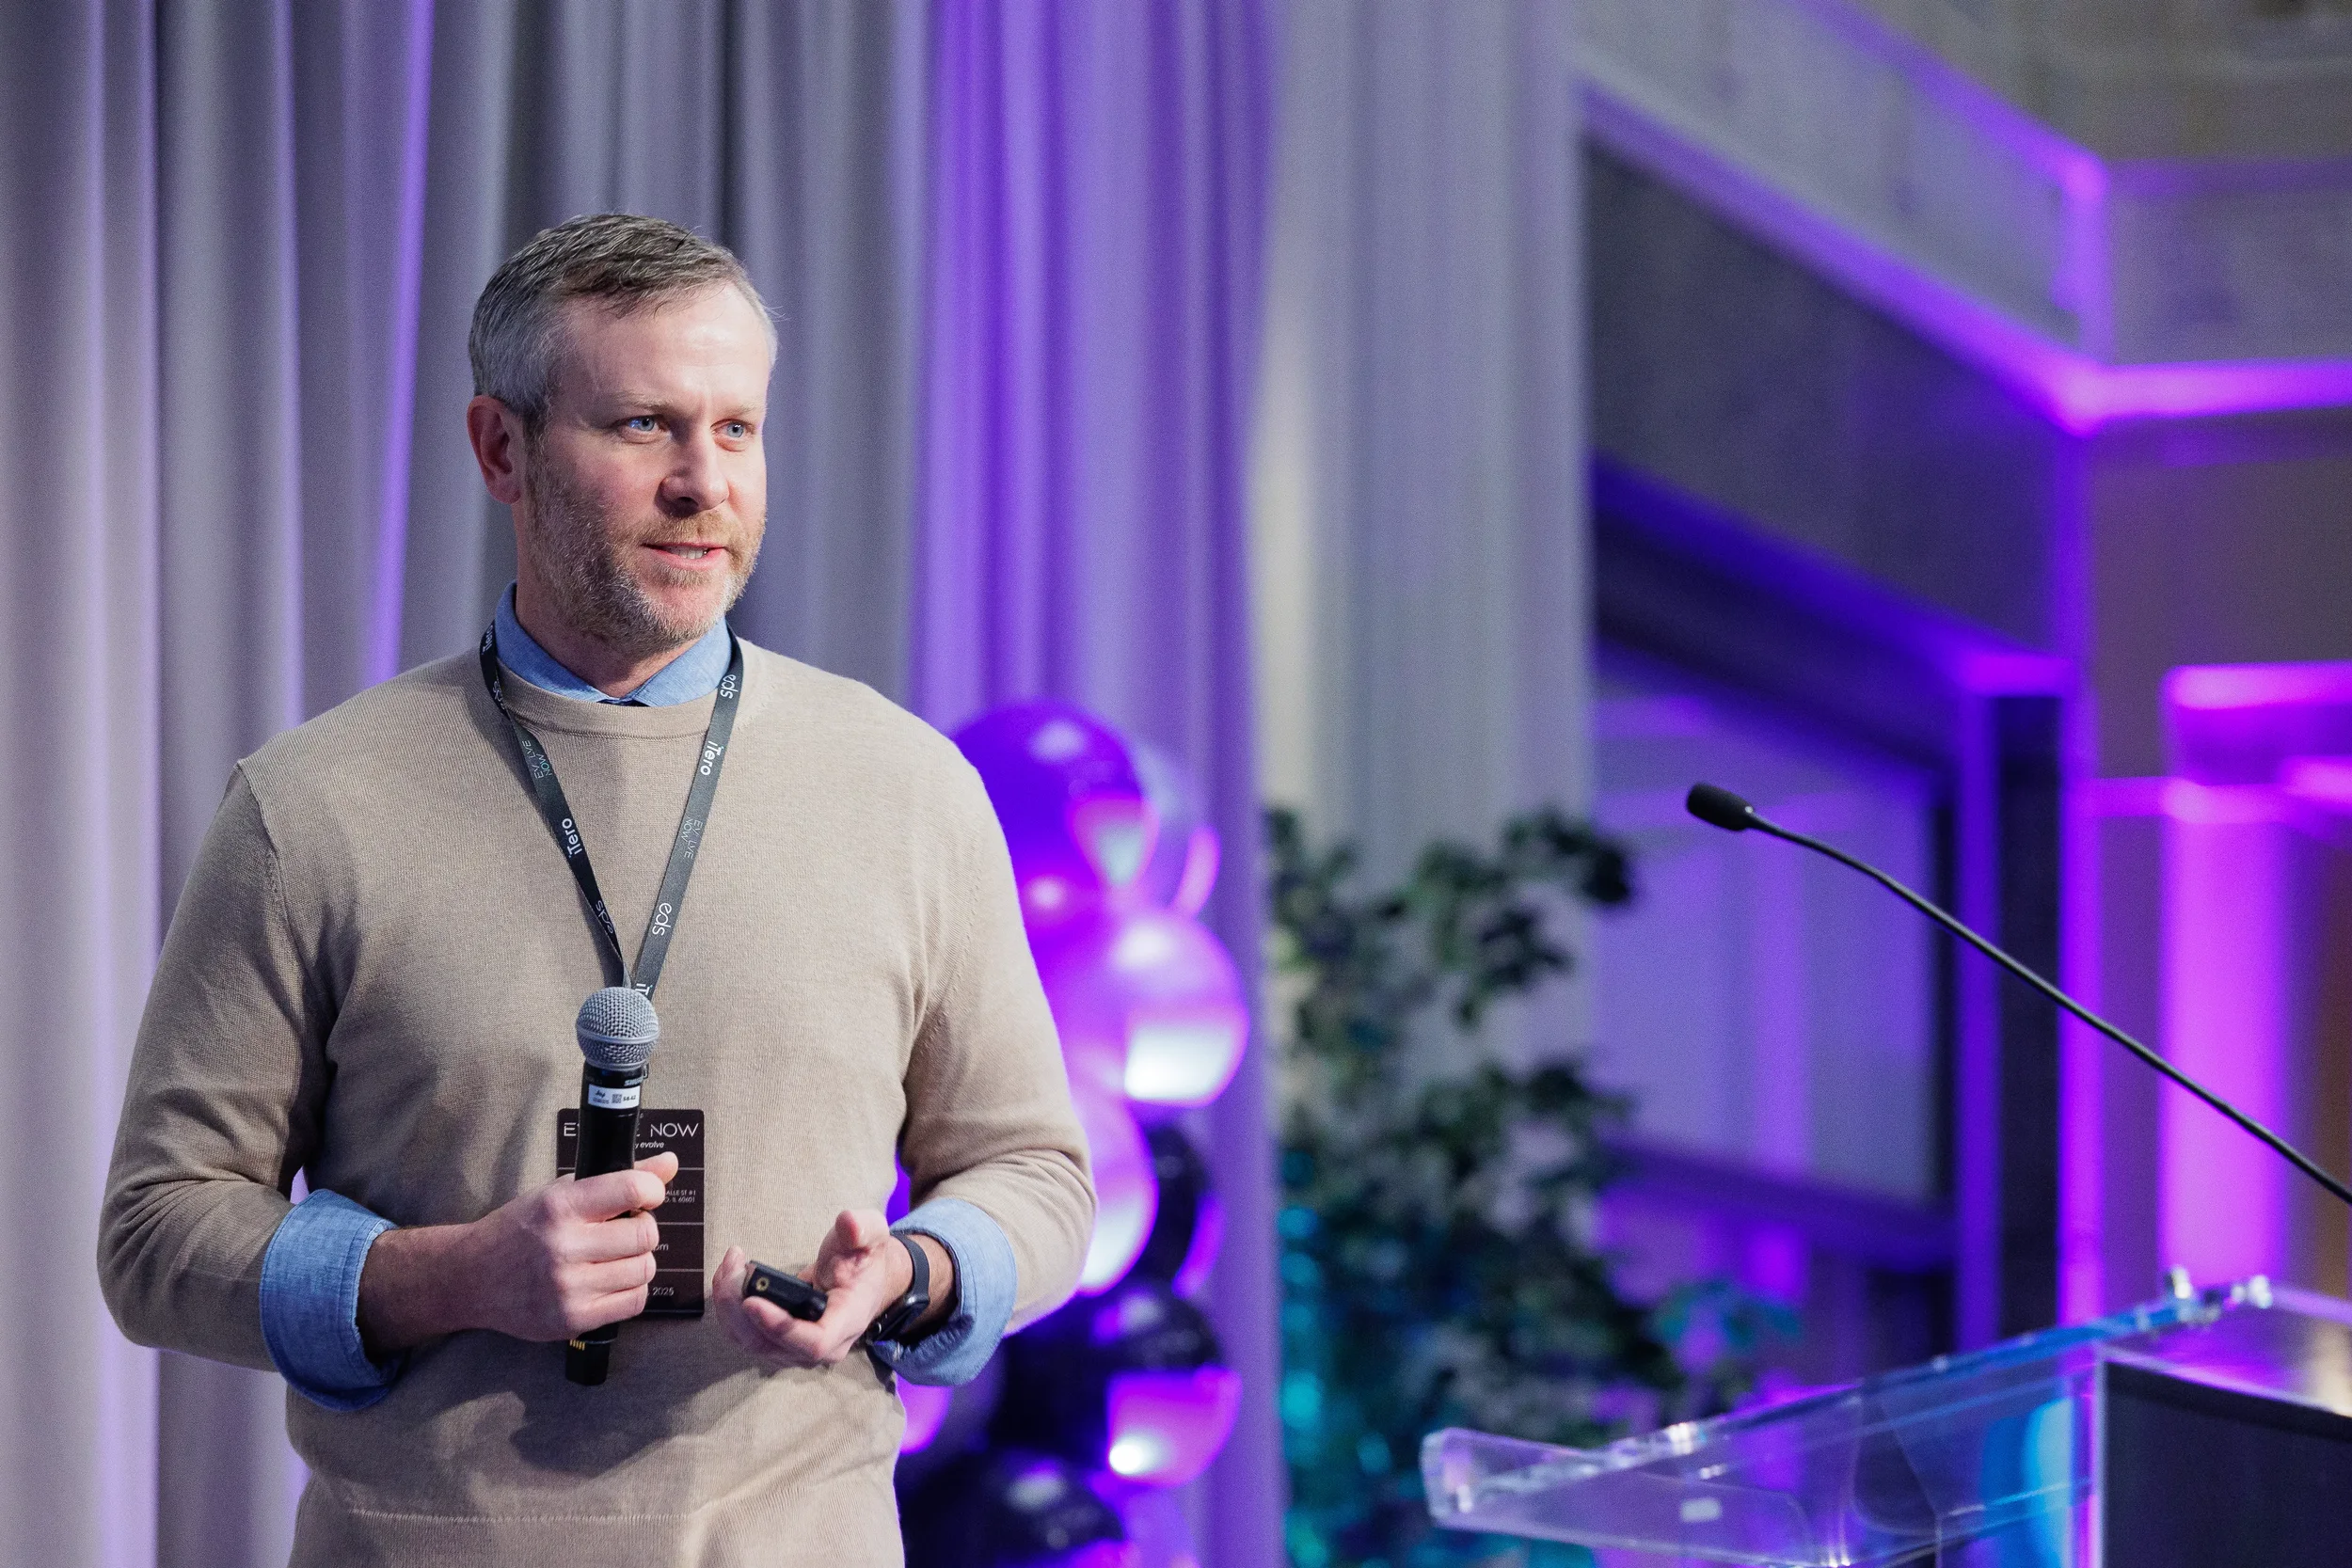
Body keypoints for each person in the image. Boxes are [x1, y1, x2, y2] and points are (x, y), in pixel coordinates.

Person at [98, 214, 1093, 1566]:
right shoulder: (313, 803)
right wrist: (449, 1276)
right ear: (500, 448)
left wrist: (916, 1271)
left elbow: (1035, 1172)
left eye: (736, 428)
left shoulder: (907, 786)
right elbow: (158, 1231)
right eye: (643, 427)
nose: (705, 484)